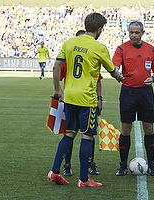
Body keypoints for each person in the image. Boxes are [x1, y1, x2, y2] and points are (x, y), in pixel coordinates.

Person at [47, 12, 124, 188]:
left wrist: (57, 89)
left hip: (70, 96)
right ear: (99, 29)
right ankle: (83, 179)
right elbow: (113, 72)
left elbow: (56, 66)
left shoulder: (69, 43)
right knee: (87, 136)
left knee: (69, 133)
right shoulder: (99, 48)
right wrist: (121, 78)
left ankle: (54, 171)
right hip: (87, 99)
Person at [112, 21, 154, 176]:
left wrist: (153, 78)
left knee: (149, 128)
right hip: (128, 93)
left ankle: (152, 165)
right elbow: (114, 67)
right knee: (125, 129)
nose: (133, 35)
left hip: (146, 93)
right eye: (131, 32)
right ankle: (122, 166)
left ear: (142, 33)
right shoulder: (122, 49)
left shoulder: (151, 49)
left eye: (136, 32)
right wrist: (117, 74)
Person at [59, 30, 103, 177]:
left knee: (72, 133)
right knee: (85, 134)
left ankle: (88, 165)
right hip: (84, 100)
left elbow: (98, 80)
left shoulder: (78, 55)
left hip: (72, 99)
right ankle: (70, 167)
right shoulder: (71, 59)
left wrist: (100, 98)